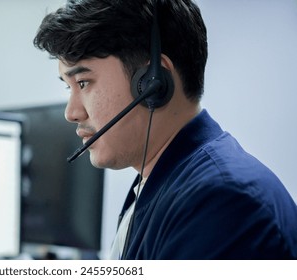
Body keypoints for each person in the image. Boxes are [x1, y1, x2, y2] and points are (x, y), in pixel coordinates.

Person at [33, 0, 297, 259]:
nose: (71, 113)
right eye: (69, 88)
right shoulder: (160, 182)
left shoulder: (222, 203)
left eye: (82, 83)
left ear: (153, 83)